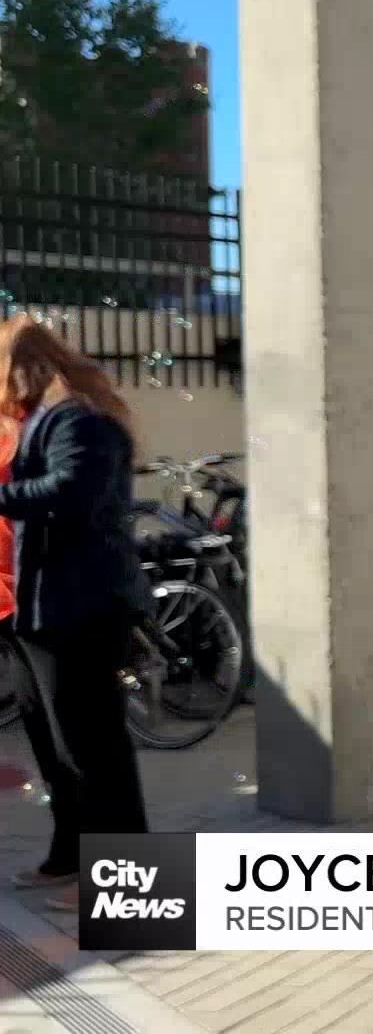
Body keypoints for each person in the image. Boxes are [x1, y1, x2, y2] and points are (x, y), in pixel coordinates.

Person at [0, 318, 151, 913]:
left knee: (97, 748)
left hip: (82, 604)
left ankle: (128, 889)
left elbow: (69, 493)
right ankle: (74, 861)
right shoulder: (53, 418)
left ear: (19, 367)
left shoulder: (79, 418)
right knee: (64, 744)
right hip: (51, 605)